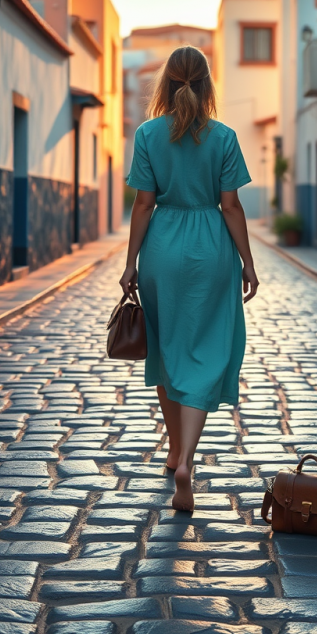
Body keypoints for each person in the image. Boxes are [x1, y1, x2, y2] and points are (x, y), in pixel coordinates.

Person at [120, 45, 259, 511]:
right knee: (205, 351)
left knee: (167, 348)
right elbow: (232, 206)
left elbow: (142, 204)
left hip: (162, 247)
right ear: (206, 84)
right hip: (210, 251)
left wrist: (130, 264)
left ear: (164, 84)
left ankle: (174, 449)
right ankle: (187, 460)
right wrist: (248, 262)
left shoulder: (146, 134)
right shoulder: (223, 137)